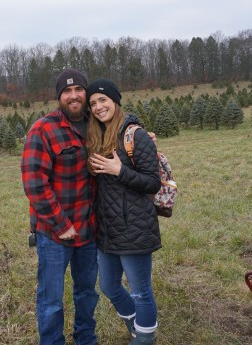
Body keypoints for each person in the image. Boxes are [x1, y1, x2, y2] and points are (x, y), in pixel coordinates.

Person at [21, 69, 99, 345]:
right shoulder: (43, 129)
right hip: (55, 233)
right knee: (51, 299)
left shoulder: (97, 124)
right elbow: (34, 183)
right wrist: (61, 224)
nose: (74, 96)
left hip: (89, 229)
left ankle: (86, 338)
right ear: (59, 97)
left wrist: (143, 137)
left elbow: (125, 134)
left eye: (79, 89)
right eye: (67, 91)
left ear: (86, 93)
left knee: (87, 292)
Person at [86, 79, 162, 345]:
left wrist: (119, 171)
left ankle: (144, 338)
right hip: (107, 229)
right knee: (109, 286)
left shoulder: (135, 135)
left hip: (134, 227)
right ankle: (136, 326)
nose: (98, 107)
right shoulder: (96, 137)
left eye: (103, 100)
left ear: (115, 101)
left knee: (140, 291)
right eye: (93, 103)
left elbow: (153, 182)